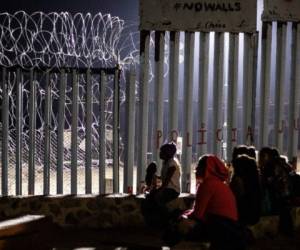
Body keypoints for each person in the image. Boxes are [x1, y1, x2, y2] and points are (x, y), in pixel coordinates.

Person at [164, 155, 245, 250]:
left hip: (219, 228)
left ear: (207, 168)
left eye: (200, 166)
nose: (196, 168)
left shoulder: (207, 184)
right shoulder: (219, 184)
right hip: (229, 228)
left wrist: (182, 216)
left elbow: (198, 215)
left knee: (178, 224)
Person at [142, 142, 181, 228]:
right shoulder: (166, 162)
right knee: (151, 197)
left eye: (162, 151)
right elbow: (164, 178)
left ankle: (170, 217)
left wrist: (159, 191)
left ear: (167, 153)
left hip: (173, 190)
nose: (160, 153)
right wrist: (155, 176)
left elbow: (167, 181)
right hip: (167, 188)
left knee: (157, 199)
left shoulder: (172, 164)